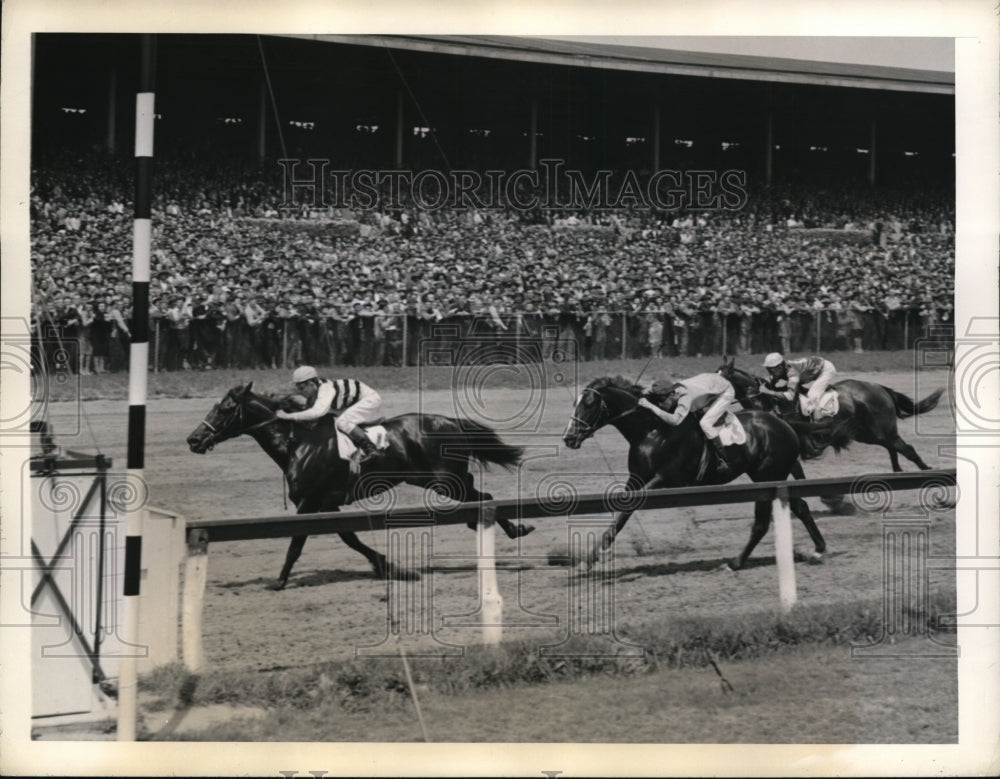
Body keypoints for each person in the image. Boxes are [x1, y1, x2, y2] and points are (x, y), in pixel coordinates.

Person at [276, 365, 382, 463]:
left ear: (312, 384)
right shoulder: (314, 390)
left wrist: (288, 416)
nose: (300, 392)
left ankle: (371, 449)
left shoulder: (326, 390)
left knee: (342, 422)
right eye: (298, 388)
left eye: (301, 388)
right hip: (349, 404)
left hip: (369, 399)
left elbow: (317, 412)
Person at [638, 371, 737, 472]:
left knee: (705, 423)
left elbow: (675, 421)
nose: (660, 403)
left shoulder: (685, 398)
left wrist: (651, 406)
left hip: (725, 391)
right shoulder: (667, 388)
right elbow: (648, 391)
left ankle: (724, 460)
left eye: (662, 399)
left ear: (672, 394)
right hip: (710, 382)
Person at [759, 352, 837, 418]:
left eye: (771, 369)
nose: (770, 372)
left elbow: (790, 396)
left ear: (780, 367)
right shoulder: (783, 369)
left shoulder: (792, 372)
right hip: (812, 369)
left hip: (826, 369)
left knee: (812, 395)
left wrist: (768, 392)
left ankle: (820, 417)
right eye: (768, 369)